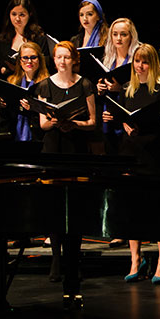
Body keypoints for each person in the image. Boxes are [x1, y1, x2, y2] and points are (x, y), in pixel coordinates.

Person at [101, 43, 160, 284]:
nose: (140, 66)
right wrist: (116, 120)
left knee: (158, 208)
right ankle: (135, 258)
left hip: (153, 153)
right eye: (137, 62)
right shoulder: (127, 90)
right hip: (130, 153)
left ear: (152, 65)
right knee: (132, 207)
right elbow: (122, 120)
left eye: (144, 62)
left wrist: (142, 127)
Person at [37, 41, 97, 282]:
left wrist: (74, 124)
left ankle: (74, 259)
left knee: (76, 207)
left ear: (74, 60)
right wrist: (55, 121)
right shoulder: (44, 85)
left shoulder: (85, 84)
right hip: (52, 149)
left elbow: (93, 121)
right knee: (53, 206)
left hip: (76, 150)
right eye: (58, 57)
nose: (62, 62)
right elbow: (42, 123)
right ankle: (56, 259)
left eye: (67, 57)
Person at [95, 18, 140, 154]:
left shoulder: (136, 59)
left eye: (123, 34)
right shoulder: (108, 59)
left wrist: (120, 89)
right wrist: (99, 88)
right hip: (107, 115)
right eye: (115, 34)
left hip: (127, 118)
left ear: (131, 36)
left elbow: (141, 90)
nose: (118, 38)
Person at [0, 0, 51, 79]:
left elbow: (46, 65)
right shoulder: (2, 39)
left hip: (34, 84)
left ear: (30, 15)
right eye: (14, 14)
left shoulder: (39, 38)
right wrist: (2, 69)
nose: (17, 19)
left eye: (22, 15)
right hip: (9, 84)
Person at [4, 41, 49, 144]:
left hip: (37, 137)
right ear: (20, 61)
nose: (29, 61)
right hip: (14, 137)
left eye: (33, 57)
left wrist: (32, 109)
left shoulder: (47, 83)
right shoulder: (12, 82)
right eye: (25, 58)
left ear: (40, 60)